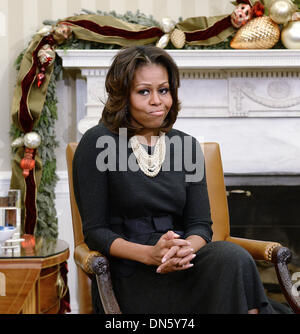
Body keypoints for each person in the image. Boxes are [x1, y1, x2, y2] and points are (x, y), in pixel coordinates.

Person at [72, 45, 277, 314]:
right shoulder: (97, 143)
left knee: (232, 258)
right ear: (123, 95)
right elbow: (96, 233)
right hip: (131, 273)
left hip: (185, 263)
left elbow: (201, 225)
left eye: (164, 90)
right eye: (144, 91)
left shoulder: (187, 146)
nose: (157, 101)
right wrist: (150, 255)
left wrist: (179, 252)